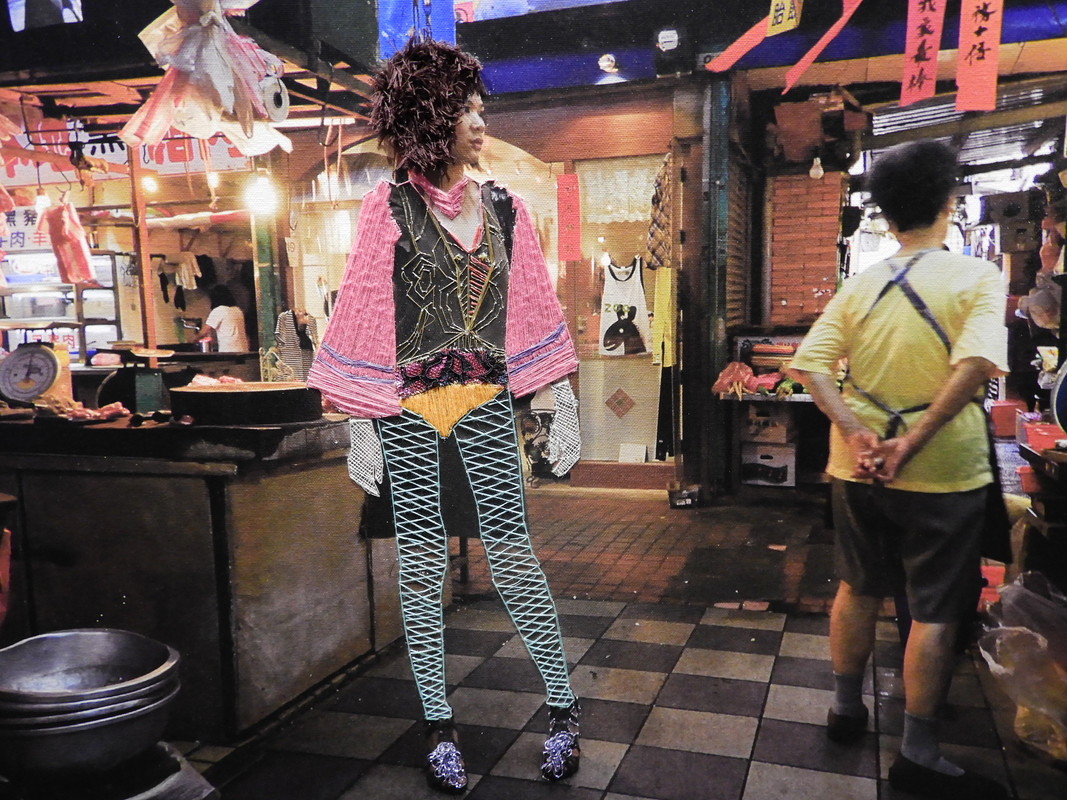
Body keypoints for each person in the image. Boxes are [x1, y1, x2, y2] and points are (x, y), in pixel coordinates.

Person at [306, 36, 581, 794]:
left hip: (486, 401)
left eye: (479, 106)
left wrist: (557, 398)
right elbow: (366, 315)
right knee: (422, 563)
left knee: (514, 555)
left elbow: (531, 310)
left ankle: (564, 711)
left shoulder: (506, 209)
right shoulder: (386, 206)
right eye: (465, 109)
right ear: (430, 117)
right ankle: (438, 725)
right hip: (408, 408)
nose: (480, 120)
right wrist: (360, 422)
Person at [786, 140, 1009, 800]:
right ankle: (917, 752)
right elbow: (975, 366)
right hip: (943, 471)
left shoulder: (859, 285)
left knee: (857, 587)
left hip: (855, 469)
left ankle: (845, 712)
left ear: (884, 215)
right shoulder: (976, 278)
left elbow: (809, 366)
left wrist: (855, 431)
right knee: (935, 607)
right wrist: (909, 443)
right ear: (947, 204)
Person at [196, 285, 249, 352]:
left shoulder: (219, 310)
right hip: (243, 349)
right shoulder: (238, 310)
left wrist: (193, 340)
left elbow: (204, 331)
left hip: (229, 351)